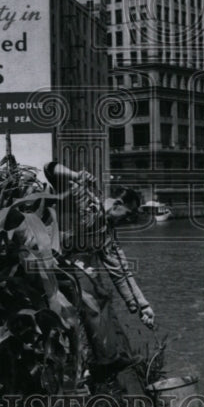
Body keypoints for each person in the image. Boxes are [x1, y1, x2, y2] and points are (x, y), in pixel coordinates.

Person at [43, 160, 155, 380]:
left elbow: (121, 271)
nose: (129, 220)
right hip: (50, 256)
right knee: (90, 300)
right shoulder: (84, 198)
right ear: (117, 204)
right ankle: (90, 364)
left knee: (102, 296)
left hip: (72, 264)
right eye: (128, 214)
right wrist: (75, 175)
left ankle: (106, 359)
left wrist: (142, 306)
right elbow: (50, 168)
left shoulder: (107, 233)